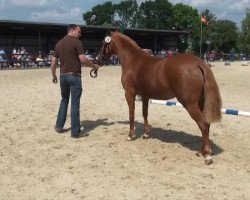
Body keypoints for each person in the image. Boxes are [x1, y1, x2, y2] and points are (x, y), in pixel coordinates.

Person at [50, 24, 100, 138]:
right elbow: (83, 59)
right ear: (72, 31)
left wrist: (53, 75)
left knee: (64, 100)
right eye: (78, 32)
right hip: (74, 76)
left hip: (63, 76)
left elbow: (53, 62)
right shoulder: (77, 42)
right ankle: (75, 132)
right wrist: (94, 66)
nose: (80, 34)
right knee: (75, 103)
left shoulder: (58, 43)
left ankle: (59, 126)